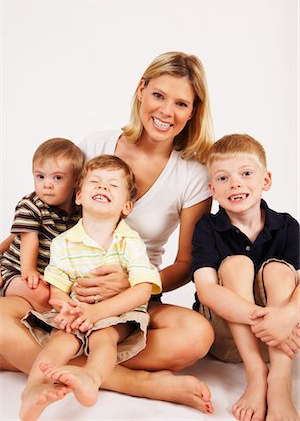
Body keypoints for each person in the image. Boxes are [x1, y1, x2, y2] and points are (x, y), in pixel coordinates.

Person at [0, 51, 215, 414]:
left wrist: (129, 286)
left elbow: (185, 263)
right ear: (141, 90)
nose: (166, 112)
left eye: (181, 103)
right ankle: (132, 381)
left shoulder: (193, 173)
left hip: (131, 295)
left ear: (193, 111)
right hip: (65, 287)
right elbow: (40, 213)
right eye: (159, 95)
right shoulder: (96, 145)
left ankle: (38, 363)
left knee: (197, 335)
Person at [20, 154, 162, 420]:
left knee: (103, 337)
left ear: (127, 206)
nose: (102, 187)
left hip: (118, 312)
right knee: (60, 340)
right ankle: (32, 389)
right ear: (79, 196)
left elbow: (143, 289)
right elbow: (57, 285)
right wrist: (66, 308)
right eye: (95, 182)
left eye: (112, 185)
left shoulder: (129, 241)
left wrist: (98, 313)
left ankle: (91, 377)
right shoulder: (64, 242)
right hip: (78, 310)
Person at [191, 133, 299, 421]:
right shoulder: (208, 227)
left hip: (281, 338)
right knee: (236, 264)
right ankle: (255, 374)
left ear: (266, 180)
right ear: (212, 189)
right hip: (227, 338)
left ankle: (279, 380)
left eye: (246, 173)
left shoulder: (287, 225)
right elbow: (207, 292)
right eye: (223, 178)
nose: (235, 183)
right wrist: (264, 318)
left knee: (279, 270)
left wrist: (287, 314)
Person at [0, 138, 84, 311]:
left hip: (53, 274)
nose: (47, 184)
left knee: (67, 295)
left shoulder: (80, 209)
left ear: (76, 181)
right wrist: (29, 270)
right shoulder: (31, 205)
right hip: (17, 268)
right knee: (42, 296)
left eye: (57, 177)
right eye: (40, 176)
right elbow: (29, 240)